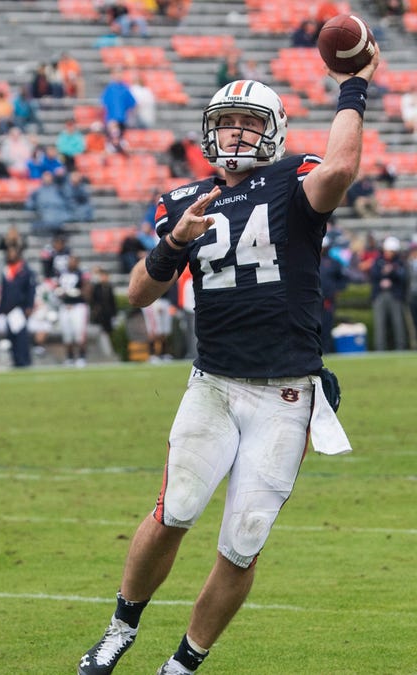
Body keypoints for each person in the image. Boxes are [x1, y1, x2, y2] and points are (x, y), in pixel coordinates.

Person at [77, 65, 369, 675]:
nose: (236, 133)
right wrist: (173, 243)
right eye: (226, 123)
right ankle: (119, 628)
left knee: (243, 541)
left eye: (249, 122)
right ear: (208, 133)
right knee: (173, 511)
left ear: (275, 130)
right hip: (214, 383)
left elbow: (341, 169)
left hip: (285, 394)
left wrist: (354, 85)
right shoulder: (184, 199)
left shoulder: (296, 179)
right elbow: (137, 294)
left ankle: (183, 663)